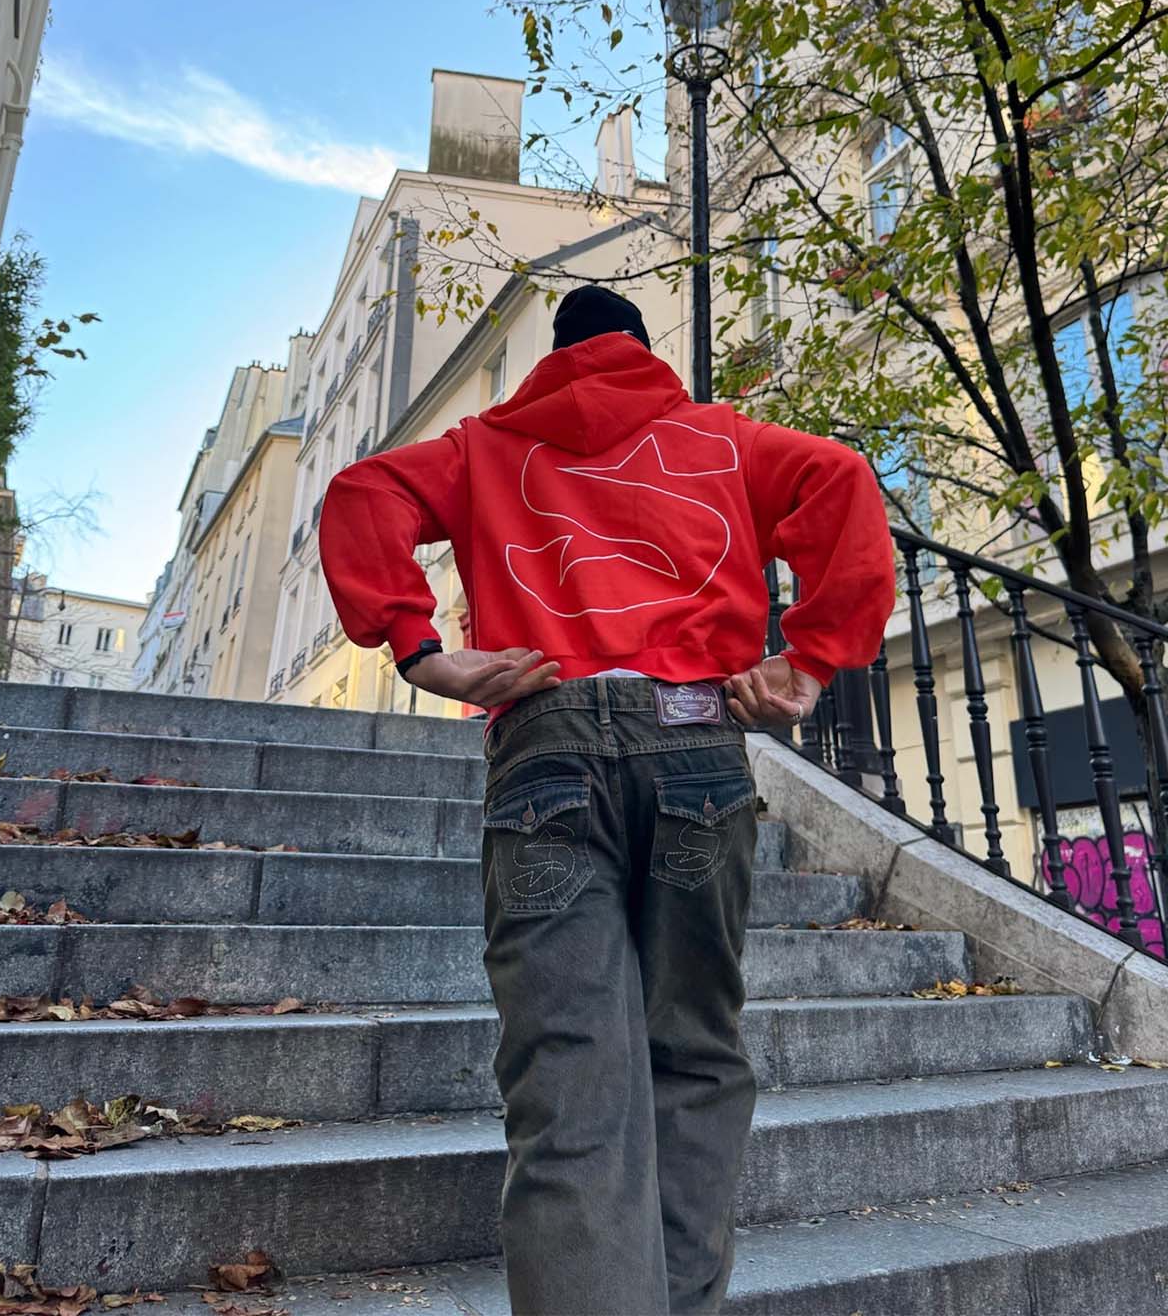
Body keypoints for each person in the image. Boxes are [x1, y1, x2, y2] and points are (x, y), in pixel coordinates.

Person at [318, 285, 896, 1316]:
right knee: (696, 1056)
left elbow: (364, 493)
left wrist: (420, 649)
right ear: (639, 347)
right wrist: (809, 661)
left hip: (546, 744)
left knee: (567, 1072)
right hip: (695, 742)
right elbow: (844, 480)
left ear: (554, 356)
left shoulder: (483, 446)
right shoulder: (723, 440)